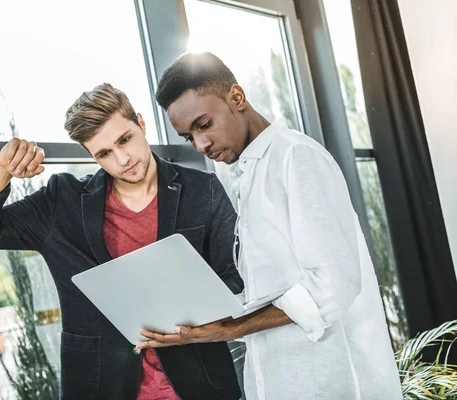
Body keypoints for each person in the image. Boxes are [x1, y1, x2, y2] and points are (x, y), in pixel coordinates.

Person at [137, 52, 402, 400]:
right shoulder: (243, 175)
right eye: (189, 137)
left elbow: (333, 287)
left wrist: (227, 329)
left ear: (236, 98)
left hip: (331, 383)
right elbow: (271, 287)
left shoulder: (297, 158)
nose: (201, 145)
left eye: (204, 125)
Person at [0, 83, 243, 399]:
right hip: (101, 386)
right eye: (105, 153)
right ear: (90, 155)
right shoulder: (62, 202)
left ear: (140, 122)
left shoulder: (202, 190)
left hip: (197, 382)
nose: (123, 159)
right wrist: (2, 170)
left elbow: (233, 279)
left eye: (125, 139)